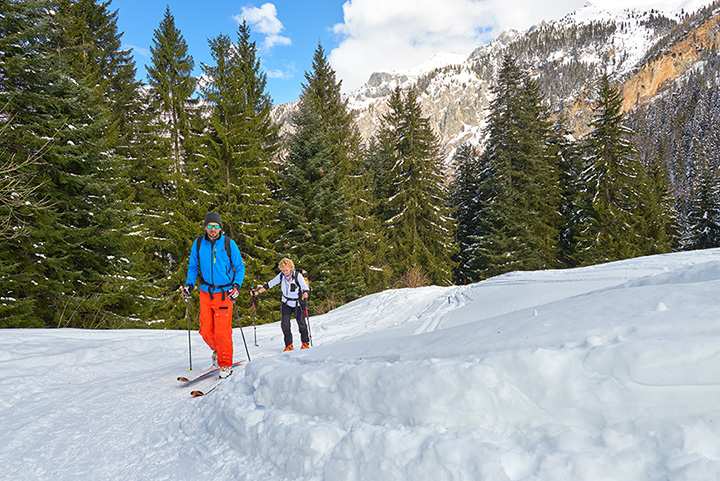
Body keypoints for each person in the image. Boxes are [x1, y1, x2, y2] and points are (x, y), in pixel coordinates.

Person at [180, 212, 245, 378]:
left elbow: (240, 267)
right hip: (205, 292)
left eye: (215, 226)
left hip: (225, 293)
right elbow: (193, 266)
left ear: (220, 228)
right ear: (205, 227)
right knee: (205, 330)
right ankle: (218, 351)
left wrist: (237, 286)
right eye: (210, 226)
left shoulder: (229, 244)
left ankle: (225, 364)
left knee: (222, 331)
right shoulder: (199, 243)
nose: (212, 229)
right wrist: (189, 284)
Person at [254, 258, 310, 351]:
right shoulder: (281, 276)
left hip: (298, 303)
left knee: (302, 324)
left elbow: (304, 287)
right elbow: (270, 284)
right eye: (283, 270)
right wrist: (257, 292)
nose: (285, 272)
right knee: (285, 325)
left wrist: (305, 293)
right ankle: (289, 345)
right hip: (286, 303)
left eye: (286, 270)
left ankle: (305, 343)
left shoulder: (297, 276)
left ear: (291, 268)